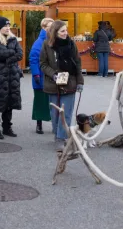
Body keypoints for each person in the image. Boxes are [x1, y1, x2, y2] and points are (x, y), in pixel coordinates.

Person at [39, 20, 84, 152]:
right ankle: (57, 133)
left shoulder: (72, 44)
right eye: (62, 31)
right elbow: (43, 64)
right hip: (53, 84)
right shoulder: (46, 45)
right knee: (55, 113)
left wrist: (80, 82)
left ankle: (61, 138)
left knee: (67, 113)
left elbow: (77, 63)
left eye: (66, 30)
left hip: (70, 82)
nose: (66, 33)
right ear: (55, 32)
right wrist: (53, 75)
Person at [0, 17, 23, 139]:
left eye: (9, 26)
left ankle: (7, 127)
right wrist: (11, 53)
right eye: (5, 26)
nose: (8, 28)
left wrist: (7, 59)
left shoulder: (13, 39)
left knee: (9, 102)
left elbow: (20, 54)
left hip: (12, 76)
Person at [29, 17, 55, 134]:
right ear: (44, 28)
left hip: (53, 77)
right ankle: (39, 124)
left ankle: (55, 124)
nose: (52, 29)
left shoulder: (54, 40)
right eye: (49, 26)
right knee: (40, 102)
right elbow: (33, 59)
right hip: (41, 77)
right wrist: (36, 75)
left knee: (54, 102)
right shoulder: (39, 42)